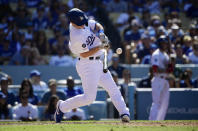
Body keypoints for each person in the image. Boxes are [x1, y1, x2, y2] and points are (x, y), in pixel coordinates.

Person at [54, 8, 130, 123]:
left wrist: (101, 35)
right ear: (72, 23)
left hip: (98, 61)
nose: (82, 24)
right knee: (89, 98)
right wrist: (100, 47)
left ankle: (124, 113)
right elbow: (85, 54)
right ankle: (62, 107)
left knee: (113, 88)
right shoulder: (75, 36)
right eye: (79, 23)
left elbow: (97, 25)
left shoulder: (81, 21)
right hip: (87, 65)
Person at [149, 35, 171, 120]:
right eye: (163, 43)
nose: (164, 44)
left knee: (164, 103)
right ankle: (152, 122)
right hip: (158, 79)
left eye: (165, 43)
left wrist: (172, 63)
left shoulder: (165, 54)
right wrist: (167, 69)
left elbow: (170, 69)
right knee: (156, 102)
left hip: (165, 80)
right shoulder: (156, 54)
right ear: (159, 44)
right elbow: (155, 69)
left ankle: (160, 122)